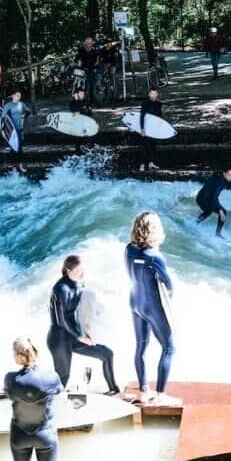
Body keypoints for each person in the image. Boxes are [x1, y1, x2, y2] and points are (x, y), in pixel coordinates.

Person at [125, 211, 178, 406]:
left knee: (141, 347)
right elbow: (170, 285)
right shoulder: (155, 256)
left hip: (135, 303)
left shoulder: (128, 249)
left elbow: (132, 273)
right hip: (152, 306)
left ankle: (143, 391)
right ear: (154, 230)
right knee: (169, 347)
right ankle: (161, 396)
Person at [47, 255, 120, 395]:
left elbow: (87, 299)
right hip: (59, 338)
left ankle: (114, 391)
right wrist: (80, 336)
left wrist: (110, 291)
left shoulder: (80, 283)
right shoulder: (61, 289)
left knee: (107, 354)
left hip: (73, 334)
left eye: (83, 270)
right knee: (63, 376)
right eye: (79, 271)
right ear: (68, 270)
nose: (82, 273)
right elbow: (61, 320)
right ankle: (51, 403)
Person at [4, 337, 62, 461]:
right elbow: (60, 391)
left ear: (18, 356)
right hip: (45, 436)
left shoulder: (10, 379)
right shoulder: (51, 377)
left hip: (19, 436)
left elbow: (11, 394)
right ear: (35, 353)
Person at [195, 169, 231, 238]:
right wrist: (220, 210)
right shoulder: (220, 183)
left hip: (204, 197)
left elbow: (213, 197)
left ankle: (196, 223)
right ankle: (216, 234)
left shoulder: (220, 179)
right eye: (229, 175)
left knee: (218, 211)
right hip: (203, 199)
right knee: (213, 210)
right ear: (224, 174)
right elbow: (213, 197)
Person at [1, 90, 32, 173]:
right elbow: (3, 118)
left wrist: (23, 117)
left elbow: (28, 112)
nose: (19, 97)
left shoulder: (22, 104)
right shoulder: (8, 105)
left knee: (20, 148)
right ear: (13, 96)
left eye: (20, 96)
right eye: (18, 95)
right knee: (13, 148)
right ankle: (14, 166)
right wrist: (3, 131)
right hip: (12, 130)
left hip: (20, 129)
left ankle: (21, 165)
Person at [138, 87, 163, 172]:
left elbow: (160, 116)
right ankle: (142, 165)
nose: (154, 95)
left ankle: (151, 163)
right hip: (146, 127)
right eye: (152, 94)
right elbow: (142, 116)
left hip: (154, 128)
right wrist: (142, 128)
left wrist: (160, 125)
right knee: (146, 147)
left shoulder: (158, 104)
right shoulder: (145, 103)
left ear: (157, 94)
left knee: (153, 146)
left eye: (155, 94)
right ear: (149, 94)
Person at [74, 37, 99, 106]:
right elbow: (76, 59)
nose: (89, 44)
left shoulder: (94, 51)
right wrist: (78, 62)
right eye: (87, 43)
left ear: (92, 43)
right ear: (85, 43)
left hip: (91, 69)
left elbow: (97, 60)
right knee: (80, 85)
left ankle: (92, 101)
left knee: (91, 85)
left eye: (90, 43)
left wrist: (95, 66)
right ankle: (79, 100)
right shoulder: (81, 50)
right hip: (82, 69)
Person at [68, 88, 93, 154]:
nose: (82, 95)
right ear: (77, 95)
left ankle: (89, 149)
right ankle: (78, 150)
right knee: (77, 139)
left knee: (88, 138)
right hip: (77, 124)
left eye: (83, 94)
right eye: (80, 94)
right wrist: (76, 101)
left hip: (85, 123)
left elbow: (90, 113)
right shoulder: (72, 102)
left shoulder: (86, 102)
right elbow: (73, 110)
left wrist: (84, 111)